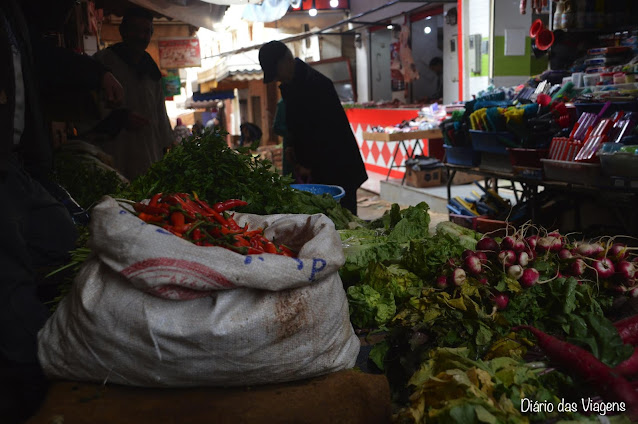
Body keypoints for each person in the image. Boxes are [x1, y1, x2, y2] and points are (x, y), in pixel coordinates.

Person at [1, 0, 124, 422]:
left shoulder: (12, 17)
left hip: (17, 166)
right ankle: (29, 392)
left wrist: (97, 73)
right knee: (12, 287)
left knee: (67, 250)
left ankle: (62, 362)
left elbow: (43, 58)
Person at [258, 40, 368, 215]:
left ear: (287, 61)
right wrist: (293, 147)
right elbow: (298, 127)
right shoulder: (291, 86)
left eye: (275, 72)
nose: (276, 79)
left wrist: (309, 165)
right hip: (319, 169)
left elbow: (326, 134)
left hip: (337, 168)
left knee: (343, 223)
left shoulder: (316, 86)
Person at [93, 7, 174, 181]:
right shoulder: (103, 63)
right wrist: (120, 118)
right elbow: (88, 112)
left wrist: (170, 148)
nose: (141, 36)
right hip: (114, 155)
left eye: (146, 31)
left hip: (149, 157)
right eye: (135, 30)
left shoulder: (152, 69)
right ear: (123, 31)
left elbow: (160, 116)